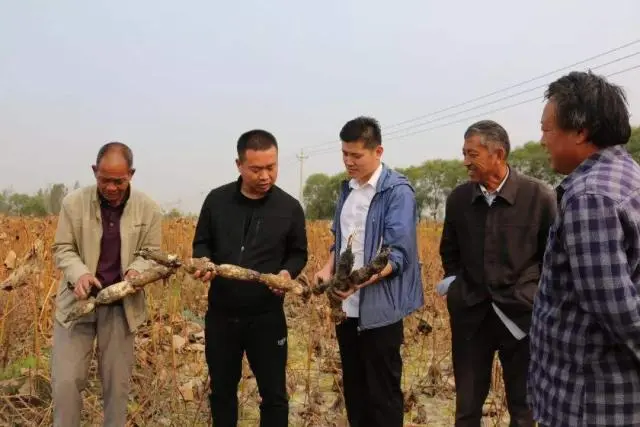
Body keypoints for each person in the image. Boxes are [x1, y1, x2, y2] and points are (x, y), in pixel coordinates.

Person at [529, 71, 640, 426]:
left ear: (580, 131)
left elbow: (617, 310)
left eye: (547, 129)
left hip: (589, 400)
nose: (542, 139)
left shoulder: (590, 196)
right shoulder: (626, 173)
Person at [438, 120, 556, 427]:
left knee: (524, 405)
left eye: (472, 154)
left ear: (498, 154)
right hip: (472, 317)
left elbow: (552, 259)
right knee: (466, 407)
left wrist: (531, 297)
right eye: (464, 153)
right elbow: (449, 252)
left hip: (521, 317)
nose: (465, 161)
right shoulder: (459, 200)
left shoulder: (539, 197)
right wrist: (456, 289)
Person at [191, 129, 308, 427]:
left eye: (272, 167)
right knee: (222, 393)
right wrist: (203, 261)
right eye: (256, 169)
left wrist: (286, 273)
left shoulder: (290, 208)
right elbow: (201, 244)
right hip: (222, 317)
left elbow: (298, 253)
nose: (266, 176)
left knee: (274, 396)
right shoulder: (216, 201)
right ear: (239, 165)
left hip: (267, 317)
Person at [314, 116, 424, 427]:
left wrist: (358, 283)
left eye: (356, 155)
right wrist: (327, 268)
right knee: (355, 388)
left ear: (378, 151)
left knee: (383, 393)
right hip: (346, 308)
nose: (349, 162)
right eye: (344, 154)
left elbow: (398, 255)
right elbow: (341, 242)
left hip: (381, 310)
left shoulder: (398, 192)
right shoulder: (347, 191)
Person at [50, 142, 163, 427]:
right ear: (93, 172)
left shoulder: (149, 209)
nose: (111, 187)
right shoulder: (73, 204)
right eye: (104, 180)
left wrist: (136, 271)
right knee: (65, 383)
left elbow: (151, 254)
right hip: (77, 303)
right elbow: (63, 248)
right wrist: (80, 275)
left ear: (131, 174)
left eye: (119, 181)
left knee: (117, 387)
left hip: (120, 305)